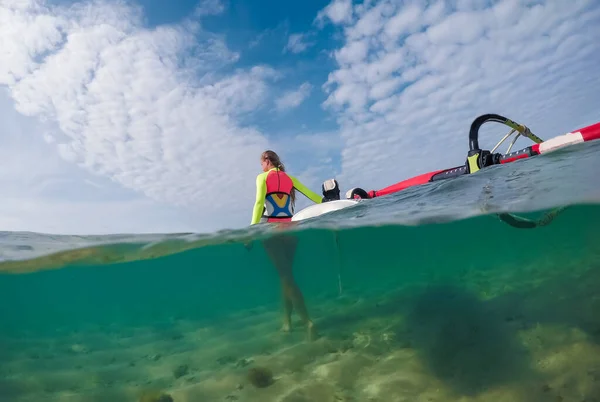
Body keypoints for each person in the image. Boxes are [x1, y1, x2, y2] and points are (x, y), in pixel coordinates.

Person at [251, 150, 322, 341]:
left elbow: (259, 203)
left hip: (272, 230)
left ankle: (308, 322)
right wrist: (328, 203)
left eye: (262, 163)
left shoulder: (262, 178)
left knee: (285, 276)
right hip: (291, 231)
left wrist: (251, 232)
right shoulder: (290, 179)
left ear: (266, 161)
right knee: (286, 277)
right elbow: (314, 197)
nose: (261, 167)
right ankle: (287, 322)